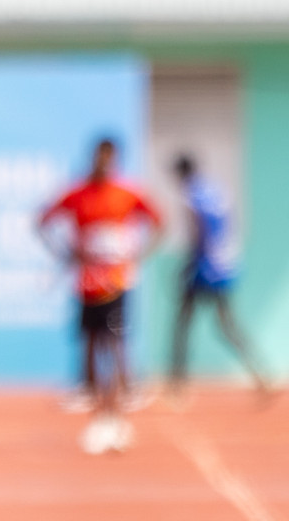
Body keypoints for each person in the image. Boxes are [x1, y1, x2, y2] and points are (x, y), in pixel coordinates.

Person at [38, 137, 160, 455]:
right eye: (99, 157)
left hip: (117, 283)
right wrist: (65, 253)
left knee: (116, 344)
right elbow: (42, 221)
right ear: (92, 158)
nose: (103, 163)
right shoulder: (76, 194)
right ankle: (98, 420)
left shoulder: (128, 193)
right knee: (92, 345)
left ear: (116, 160)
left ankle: (118, 418)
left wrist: (137, 255)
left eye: (110, 158)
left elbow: (160, 223)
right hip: (87, 284)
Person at [168, 154, 270, 399]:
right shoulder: (216, 191)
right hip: (225, 264)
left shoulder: (190, 196)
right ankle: (259, 373)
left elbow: (198, 233)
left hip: (204, 266)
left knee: (184, 322)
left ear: (181, 173)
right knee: (226, 323)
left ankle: (178, 385)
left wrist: (189, 264)